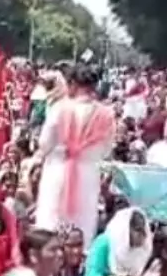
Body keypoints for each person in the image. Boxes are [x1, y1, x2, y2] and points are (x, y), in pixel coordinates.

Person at [35, 64, 117, 241]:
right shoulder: (106, 114)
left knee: (52, 220)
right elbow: (107, 149)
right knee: (83, 223)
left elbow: (44, 144)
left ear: (72, 84)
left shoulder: (60, 108)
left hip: (57, 170)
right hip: (88, 174)